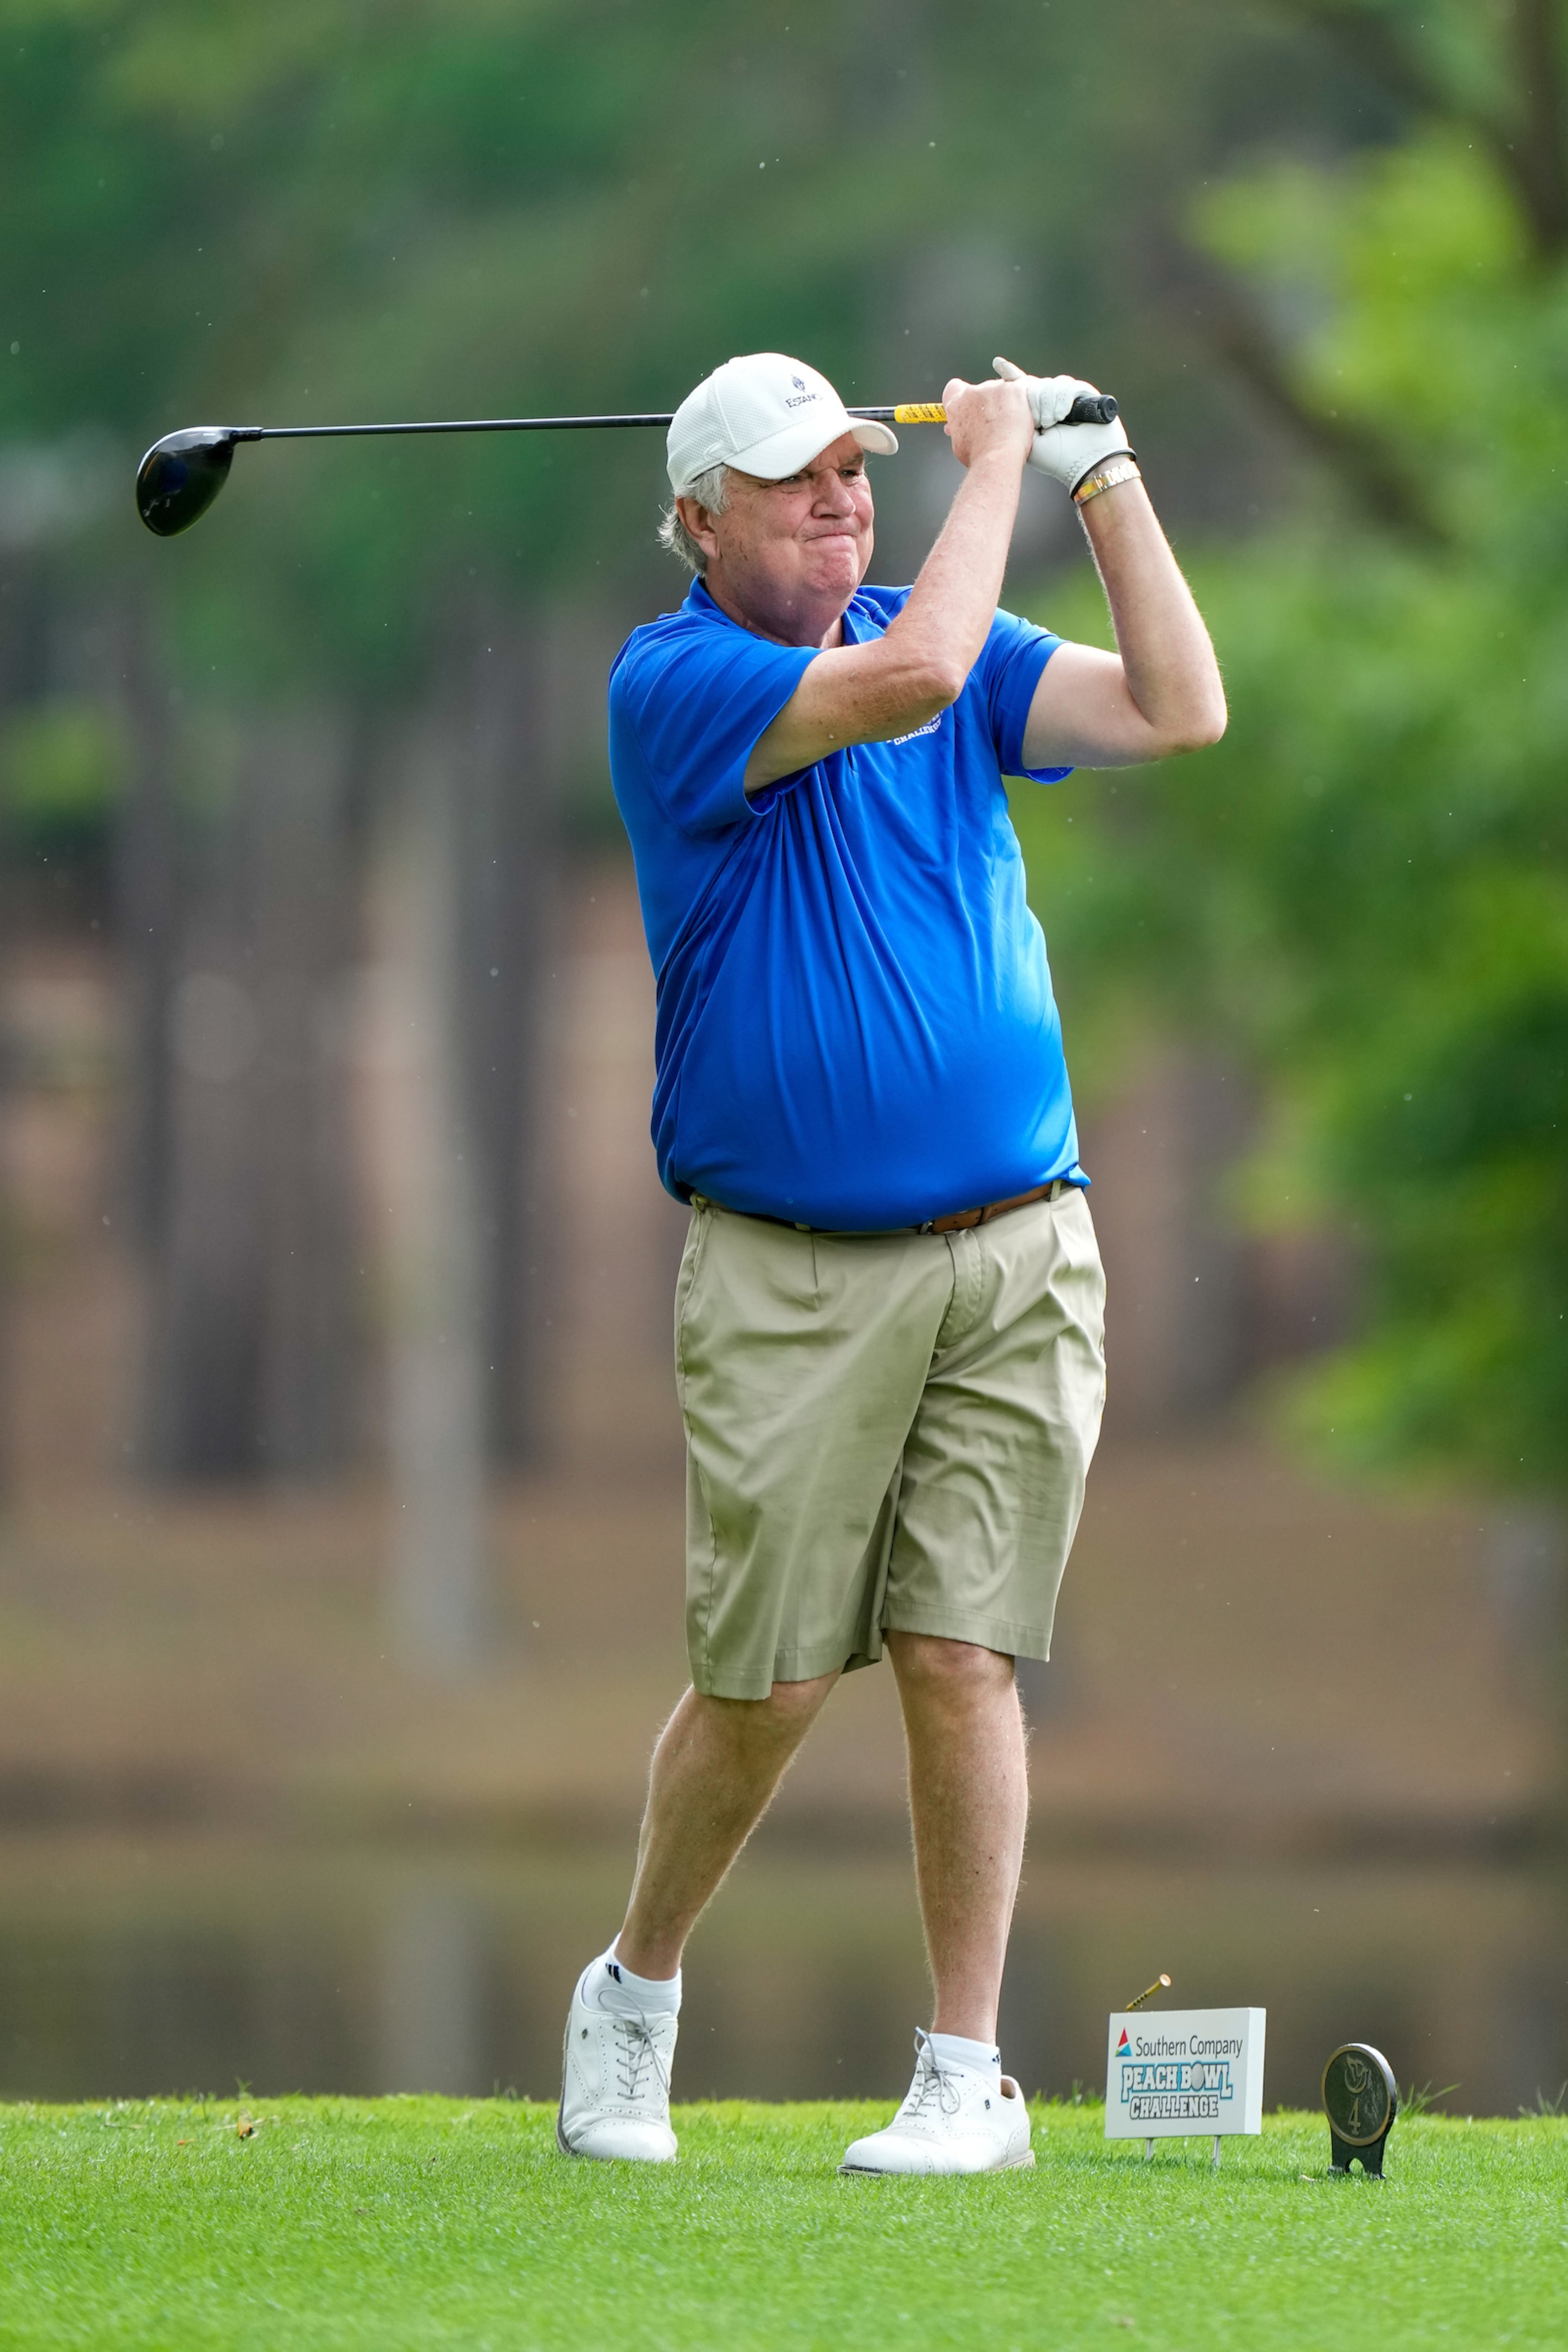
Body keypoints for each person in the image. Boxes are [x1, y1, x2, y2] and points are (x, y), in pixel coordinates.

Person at [557, 351, 1225, 2176]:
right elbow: (918, 670)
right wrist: (996, 458)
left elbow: (1181, 709)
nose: (843, 500)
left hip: (1019, 1248)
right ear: (700, 522)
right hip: (792, 1275)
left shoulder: (934, 627)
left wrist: (1105, 477)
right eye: (797, 484)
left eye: (857, 470)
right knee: (767, 1685)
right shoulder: (680, 681)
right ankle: (637, 1988)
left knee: (961, 1654)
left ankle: (963, 2072)